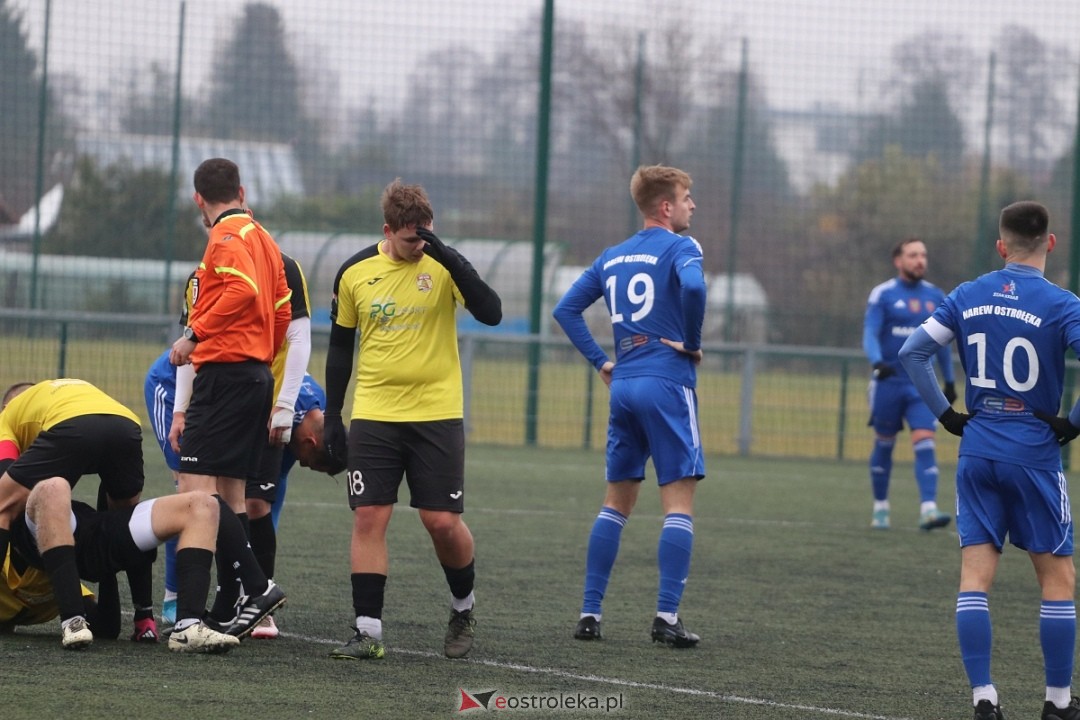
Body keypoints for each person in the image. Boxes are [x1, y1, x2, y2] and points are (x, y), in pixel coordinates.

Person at [899, 201, 1080, 720]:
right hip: (1034, 455)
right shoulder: (1062, 303)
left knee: (974, 578)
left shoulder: (965, 295)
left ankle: (984, 697)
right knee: (1058, 580)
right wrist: (1072, 423)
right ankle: (1058, 702)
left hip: (977, 449)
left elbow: (912, 353)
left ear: (1000, 247)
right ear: (1050, 242)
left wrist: (946, 415)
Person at [323, 178, 502, 661]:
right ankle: (368, 632)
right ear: (388, 229)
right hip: (376, 415)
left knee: (441, 521)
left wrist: (451, 258)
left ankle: (463, 607)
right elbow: (340, 348)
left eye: (427, 236)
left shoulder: (444, 266)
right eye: (411, 239)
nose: (420, 246)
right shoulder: (355, 272)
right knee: (369, 517)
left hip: (437, 415)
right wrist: (334, 416)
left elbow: (492, 313)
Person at [552, 164, 707, 648]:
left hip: (625, 385)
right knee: (678, 504)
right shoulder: (683, 247)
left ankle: (590, 614)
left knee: (615, 503)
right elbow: (696, 289)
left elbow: (565, 309)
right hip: (666, 381)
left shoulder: (612, 256)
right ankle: (665, 617)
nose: (691, 206)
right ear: (666, 206)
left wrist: (601, 360)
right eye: (686, 197)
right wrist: (692, 341)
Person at [168, 157, 290, 632]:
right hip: (256, 375)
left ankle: (256, 588)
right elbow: (280, 309)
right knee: (231, 496)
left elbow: (240, 291)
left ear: (199, 199)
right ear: (240, 190)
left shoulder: (225, 237)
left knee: (194, 490)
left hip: (226, 376)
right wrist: (260, 355)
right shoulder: (263, 238)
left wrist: (195, 334)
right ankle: (230, 604)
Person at [0, 379, 153, 648]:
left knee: (5, 503)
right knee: (127, 523)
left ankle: (77, 619)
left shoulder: (12, 419)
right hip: (125, 424)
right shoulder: (57, 401)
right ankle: (145, 619)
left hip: (43, 572)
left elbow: (6, 490)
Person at [10, 477, 241, 653]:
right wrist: (108, 575)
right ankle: (73, 622)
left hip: (69, 528)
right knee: (54, 487)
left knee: (203, 504)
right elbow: (106, 626)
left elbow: (107, 628)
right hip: (63, 542)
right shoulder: (50, 593)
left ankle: (187, 628)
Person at [863, 237, 956, 531]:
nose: (920, 261)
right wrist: (877, 361)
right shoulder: (883, 294)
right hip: (888, 383)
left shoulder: (936, 296)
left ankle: (928, 509)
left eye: (923, 255)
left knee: (925, 441)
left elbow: (942, 344)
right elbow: (870, 332)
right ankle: (881, 508)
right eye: (913, 255)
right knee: (884, 444)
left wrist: (950, 381)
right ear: (898, 260)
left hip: (920, 386)